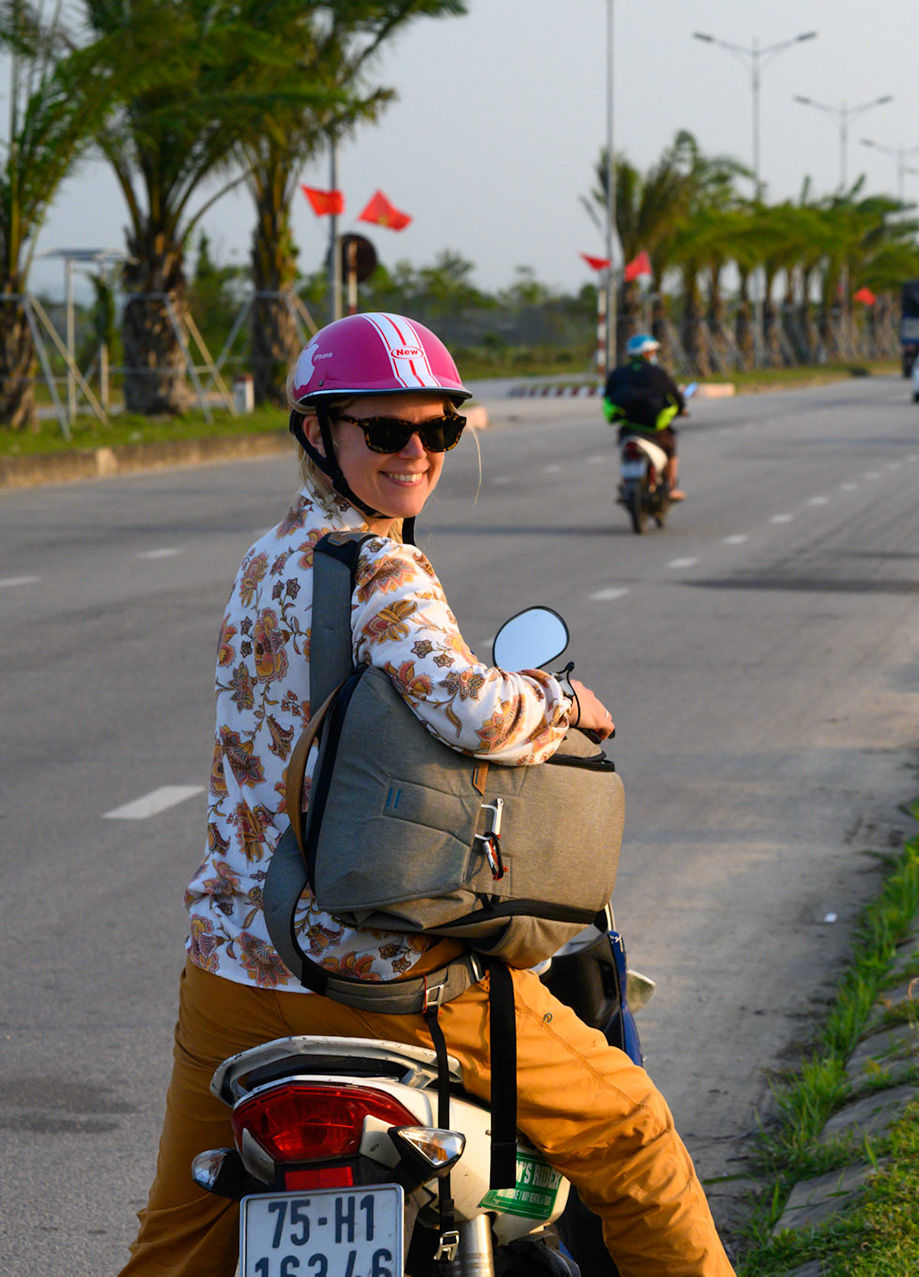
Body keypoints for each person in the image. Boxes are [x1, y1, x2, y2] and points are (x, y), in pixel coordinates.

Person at [117, 312, 733, 1277]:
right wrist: (562, 698)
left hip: (233, 972)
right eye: (384, 431)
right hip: (385, 981)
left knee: (175, 1245)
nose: (415, 451)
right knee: (634, 1134)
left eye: (437, 430)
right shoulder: (383, 565)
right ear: (319, 432)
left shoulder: (264, 561)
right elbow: (477, 714)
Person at [604, 333, 687, 500]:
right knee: (670, 448)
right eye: (653, 352)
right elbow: (675, 397)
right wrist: (681, 409)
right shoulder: (658, 373)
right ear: (647, 353)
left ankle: (626, 487)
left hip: (628, 429)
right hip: (655, 430)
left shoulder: (617, 374)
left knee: (626, 454)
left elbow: (607, 398)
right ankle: (670, 487)